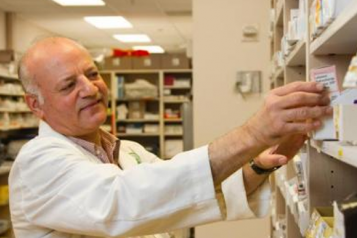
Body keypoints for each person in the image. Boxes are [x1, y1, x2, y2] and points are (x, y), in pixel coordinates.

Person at [8, 37, 331, 238]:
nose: (91, 89)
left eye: (92, 74)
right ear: (35, 104)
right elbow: (122, 201)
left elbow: (181, 197)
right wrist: (253, 133)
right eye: (68, 85)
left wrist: (260, 165)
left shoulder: (126, 150)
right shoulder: (39, 163)